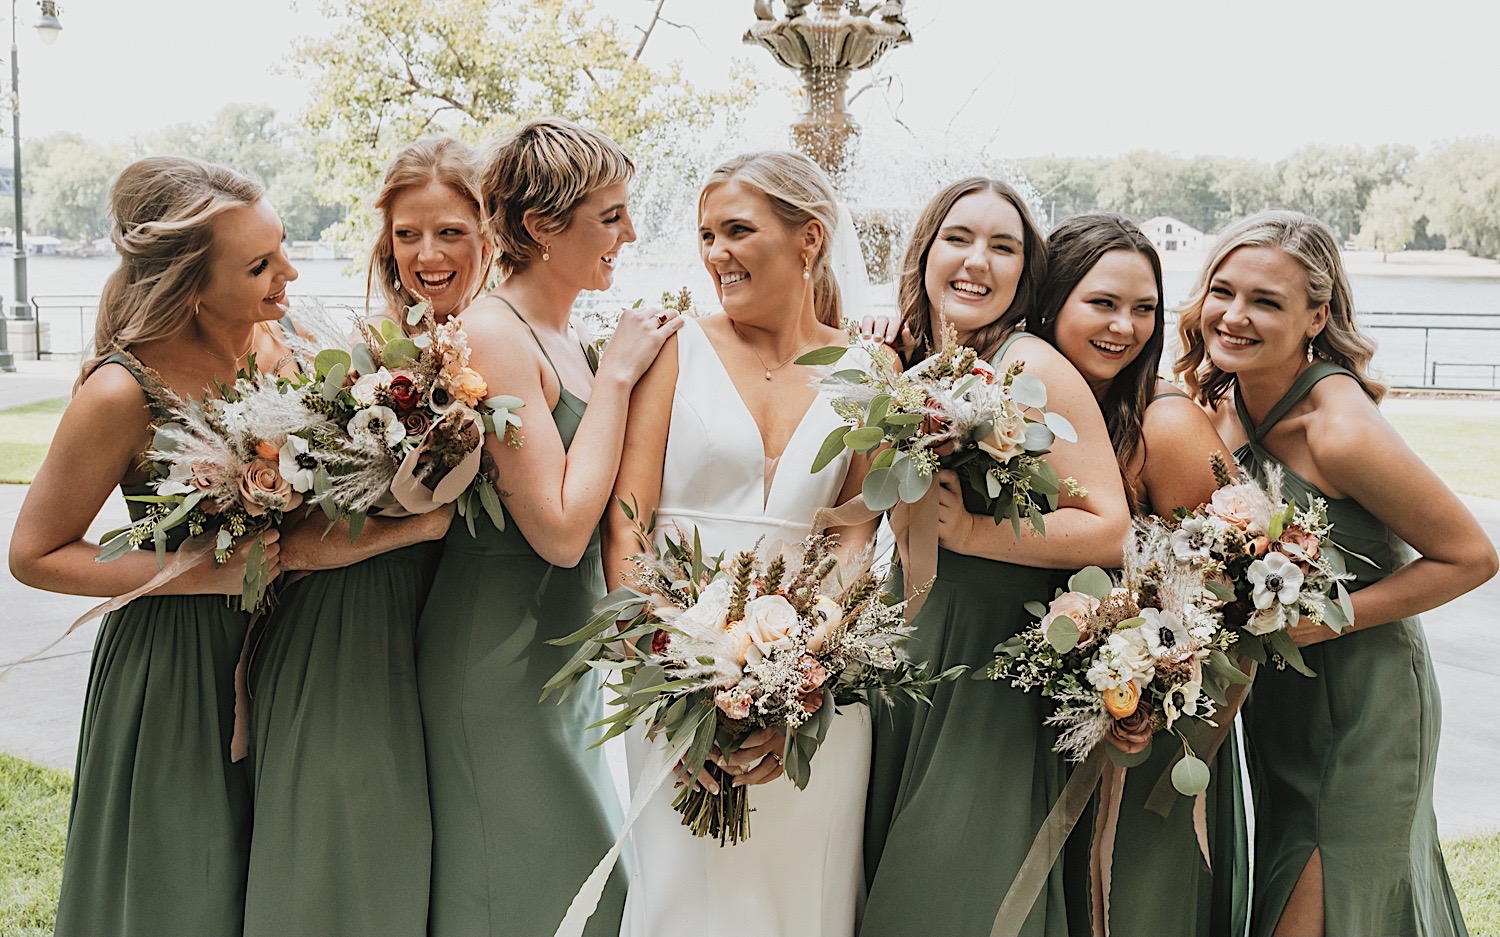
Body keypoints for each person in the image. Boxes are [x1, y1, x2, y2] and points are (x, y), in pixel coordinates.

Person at [1175, 209, 1496, 937]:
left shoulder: (1340, 429)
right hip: (1284, 701)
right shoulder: (1230, 397)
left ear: (1316, 314)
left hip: (1367, 704)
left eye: (1266, 301)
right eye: (1222, 291)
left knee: (1326, 900)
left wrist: (1326, 620)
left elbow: (1472, 556)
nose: (1234, 315)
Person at [8, 156, 297, 936]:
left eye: (283, 247)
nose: (290, 274)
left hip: (292, 652)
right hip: (172, 667)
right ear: (193, 285)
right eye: (262, 264)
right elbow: (34, 553)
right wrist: (210, 572)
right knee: (179, 884)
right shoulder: (120, 390)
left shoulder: (280, 349)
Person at [415, 117, 682, 937]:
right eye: (611, 216)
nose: (629, 234)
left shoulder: (566, 337)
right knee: (530, 890)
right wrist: (620, 377)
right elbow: (562, 529)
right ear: (541, 227)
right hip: (494, 663)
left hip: (553, 657)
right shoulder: (495, 332)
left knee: (575, 893)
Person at [605, 149, 878, 937]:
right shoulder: (673, 348)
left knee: (802, 898)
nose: (715, 252)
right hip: (673, 683)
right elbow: (628, 521)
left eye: (737, 231)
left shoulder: (867, 368)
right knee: (686, 898)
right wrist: (673, 671)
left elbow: (856, 540)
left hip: (811, 694)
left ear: (808, 239)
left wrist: (802, 674)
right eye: (705, 234)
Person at [860, 178, 1130, 937]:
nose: (977, 261)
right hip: (912, 654)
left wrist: (974, 534)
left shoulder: (1030, 363)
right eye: (959, 238)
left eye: (1002, 247)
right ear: (925, 251)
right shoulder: (918, 358)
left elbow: (1110, 526)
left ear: (1023, 271)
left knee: (948, 893)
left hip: (986, 672)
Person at [241, 137, 485, 937]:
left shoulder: (508, 344)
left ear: (491, 232)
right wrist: (424, 521)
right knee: (343, 853)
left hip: (456, 643)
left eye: (449, 231)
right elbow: (301, 532)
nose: (427, 254)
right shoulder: (353, 357)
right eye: (408, 234)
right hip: (347, 631)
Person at [1033, 212, 1247, 936]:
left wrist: (1158, 696)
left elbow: (1241, 592)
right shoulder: (1022, 406)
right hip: (1046, 722)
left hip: (1146, 735)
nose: (1124, 326)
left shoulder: (1166, 424)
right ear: (1052, 300)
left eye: (1144, 308)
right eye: (1102, 303)